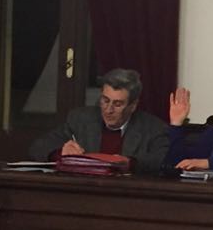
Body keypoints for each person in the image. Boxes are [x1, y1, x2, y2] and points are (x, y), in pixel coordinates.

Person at [28, 68, 169, 173]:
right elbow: (39, 147)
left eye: (117, 104)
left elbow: (163, 161)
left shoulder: (152, 128)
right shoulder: (81, 119)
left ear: (133, 106)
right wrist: (60, 153)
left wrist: (131, 163)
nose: (108, 109)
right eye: (105, 100)